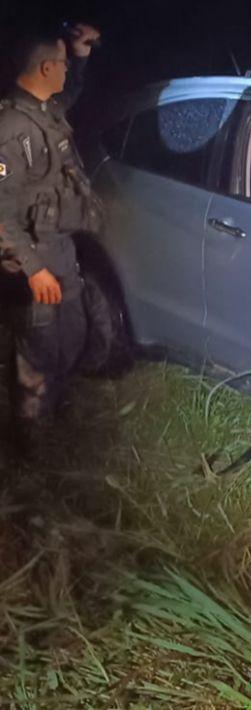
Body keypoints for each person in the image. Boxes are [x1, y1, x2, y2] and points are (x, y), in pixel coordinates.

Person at [0, 23, 103, 453]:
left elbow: (70, 94)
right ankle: (32, 443)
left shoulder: (46, 109)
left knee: (71, 331)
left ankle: (53, 411)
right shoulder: (10, 130)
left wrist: (79, 56)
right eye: (61, 64)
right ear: (45, 67)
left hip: (59, 246)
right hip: (33, 255)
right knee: (39, 346)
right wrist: (34, 268)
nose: (65, 72)